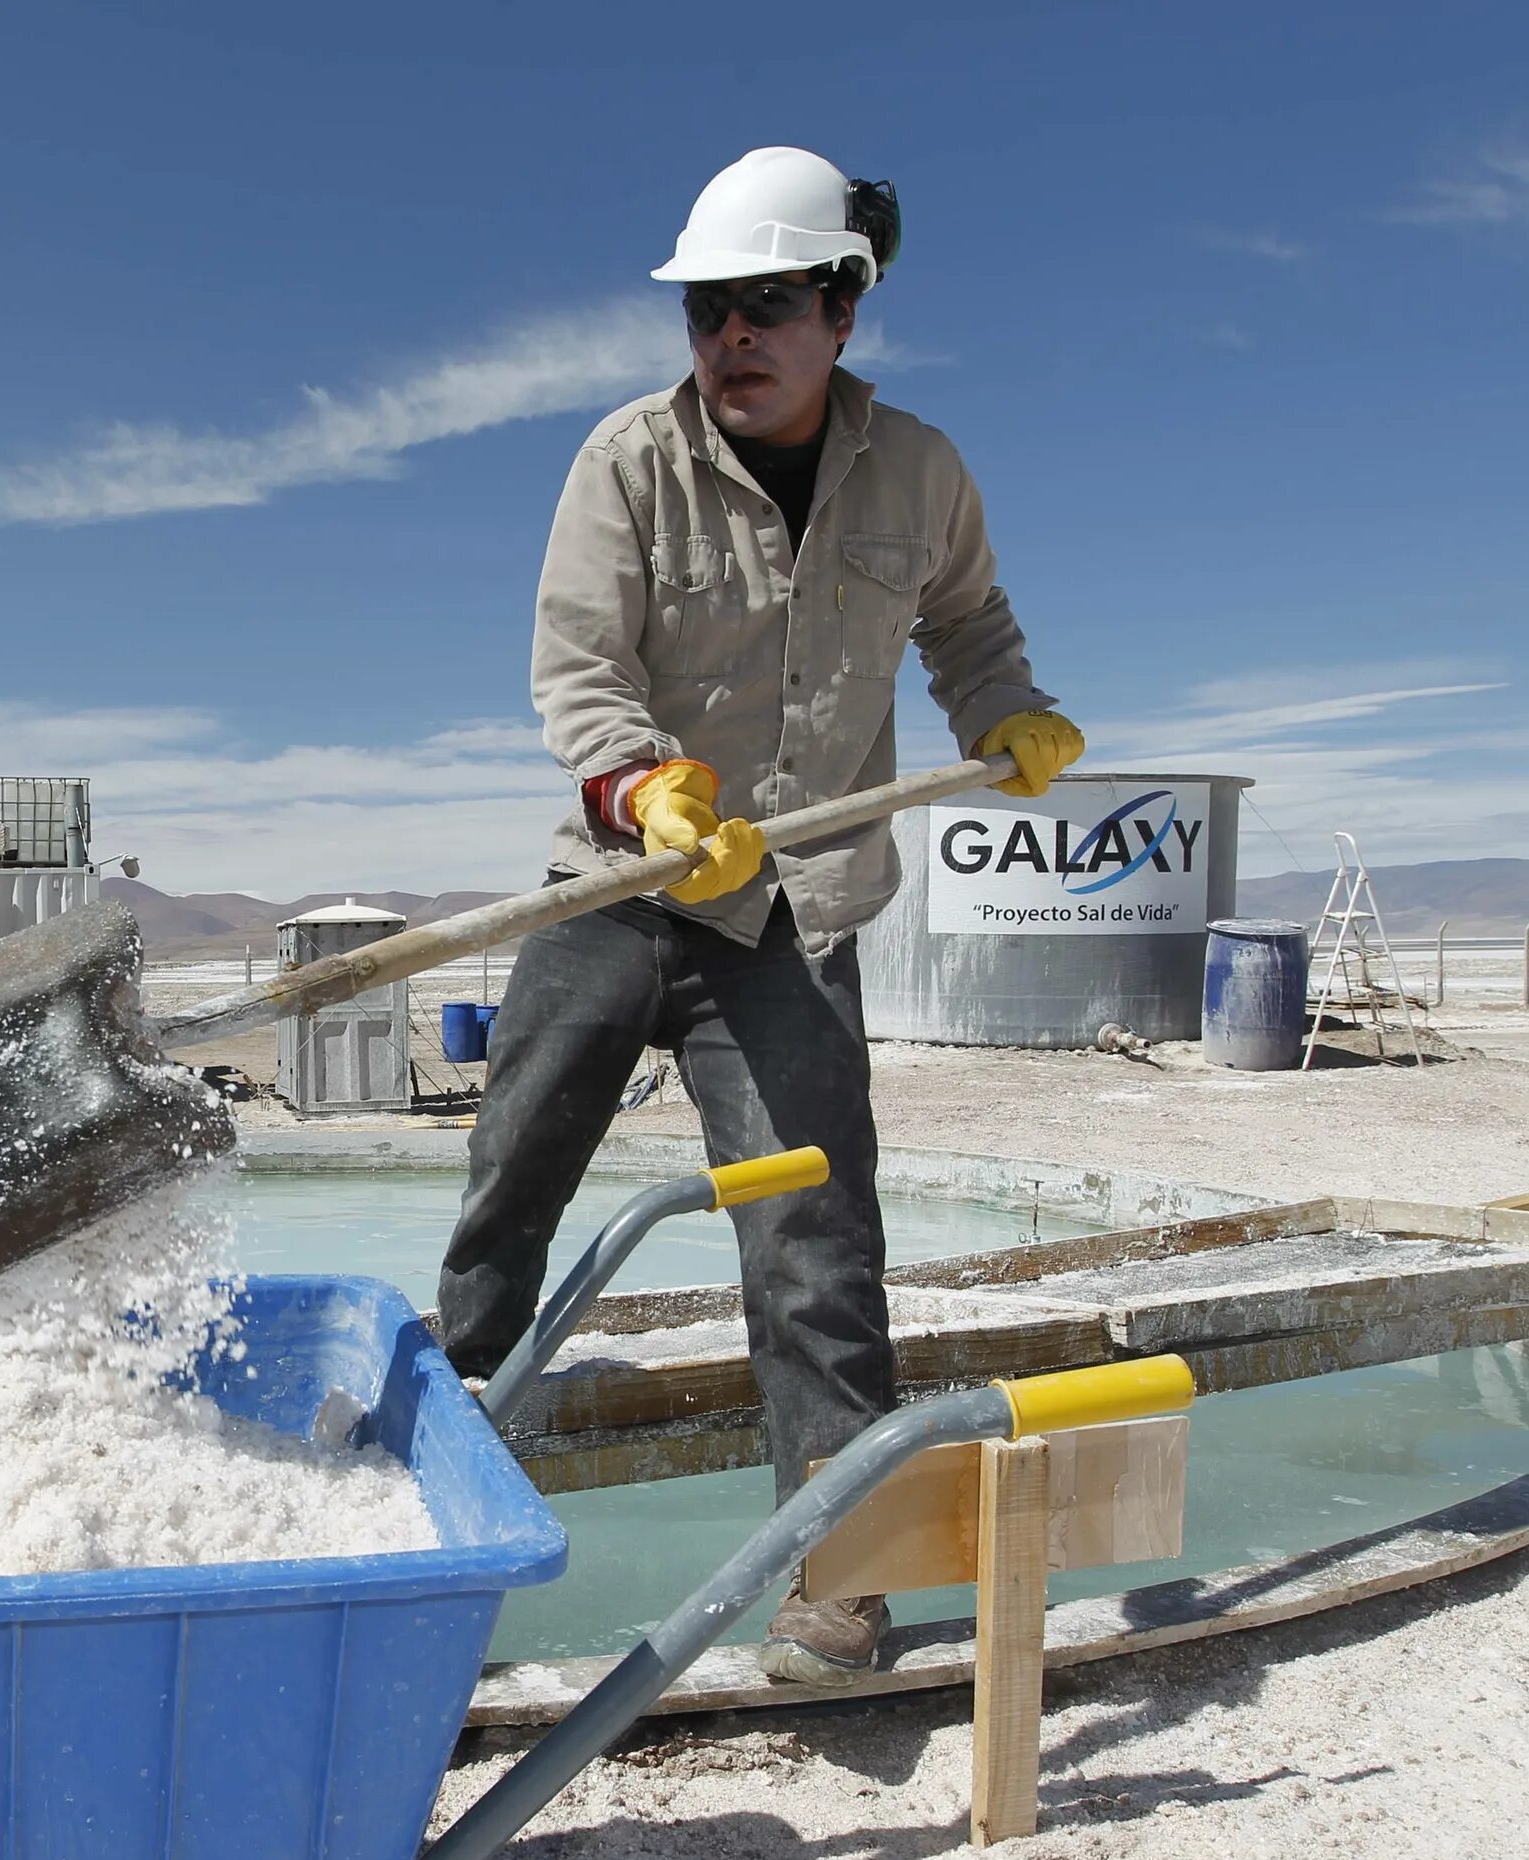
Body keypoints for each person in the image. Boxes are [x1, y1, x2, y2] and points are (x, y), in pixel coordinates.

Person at [437, 147, 1084, 1688]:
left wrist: (1012, 710)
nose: (730, 336)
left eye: (766, 305)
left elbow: (970, 625)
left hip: (791, 913)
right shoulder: (624, 465)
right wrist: (647, 791)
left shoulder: (920, 472)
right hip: (621, 886)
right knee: (510, 1180)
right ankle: (422, 1482)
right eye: (707, 310)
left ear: (842, 312)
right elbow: (578, 668)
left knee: (812, 1236)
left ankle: (840, 1579)